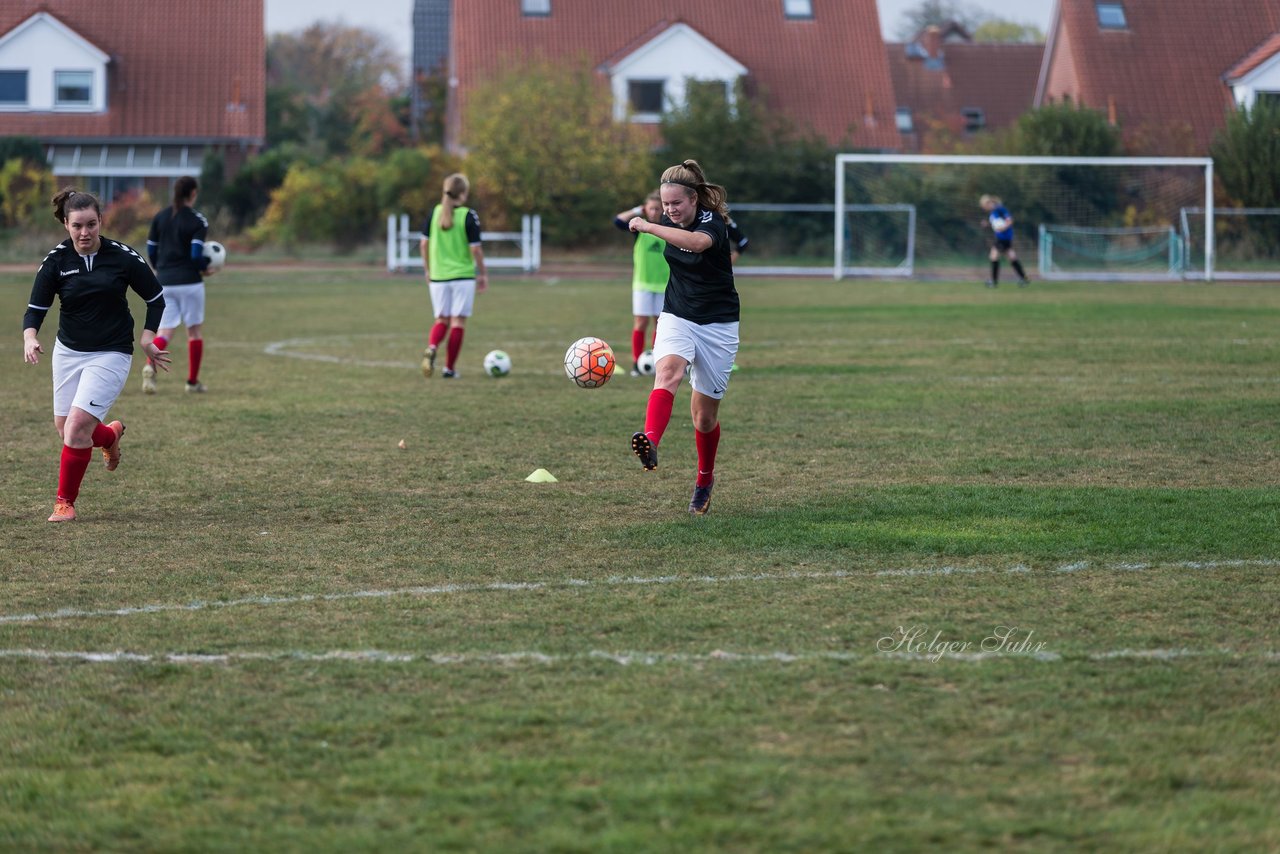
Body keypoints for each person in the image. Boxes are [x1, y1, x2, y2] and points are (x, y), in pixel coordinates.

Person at [23, 187, 169, 522]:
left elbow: (156, 298)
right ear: (66, 225)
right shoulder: (56, 262)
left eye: (91, 224)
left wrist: (148, 338)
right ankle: (110, 435)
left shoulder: (122, 258)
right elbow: (35, 310)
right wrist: (29, 338)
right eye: (77, 226)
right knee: (67, 430)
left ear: (101, 220)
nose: (85, 232)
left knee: (76, 430)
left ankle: (64, 504)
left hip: (112, 352)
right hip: (69, 352)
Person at [627, 160, 740, 515]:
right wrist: (651, 223)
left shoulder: (713, 224)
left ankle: (705, 479)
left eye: (676, 204)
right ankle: (650, 440)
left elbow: (695, 243)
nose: (670, 210)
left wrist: (648, 226)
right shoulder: (664, 220)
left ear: (694, 200)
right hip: (677, 314)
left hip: (719, 325)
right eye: (665, 205)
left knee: (703, 418)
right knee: (669, 372)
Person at [145, 175, 215, 393]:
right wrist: (205, 267)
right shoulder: (198, 221)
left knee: (164, 332)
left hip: (164, 282)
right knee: (193, 332)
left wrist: (161, 270)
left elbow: (152, 251)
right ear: (193, 193)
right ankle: (192, 383)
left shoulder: (160, 217)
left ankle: (149, 368)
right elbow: (196, 255)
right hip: (190, 282)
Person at [419, 173, 487, 379]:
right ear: (464, 193)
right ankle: (449, 369)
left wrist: (428, 269)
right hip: (462, 276)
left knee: (441, 319)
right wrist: (483, 273)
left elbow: (423, 244)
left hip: (438, 276)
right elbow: (475, 249)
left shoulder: (435, 213)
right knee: (457, 322)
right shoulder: (468, 215)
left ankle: (432, 346)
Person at [613, 192, 668, 376]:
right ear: (646, 209)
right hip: (642, 285)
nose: (654, 212)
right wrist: (637, 210)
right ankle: (637, 363)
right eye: (651, 208)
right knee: (641, 323)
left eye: (658, 208)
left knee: (660, 326)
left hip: (664, 285)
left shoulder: (668, 229)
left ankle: (656, 361)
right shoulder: (639, 230)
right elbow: (618, 221)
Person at [980, 194, 1030, 287]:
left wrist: (1003, 228)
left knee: (993, 256)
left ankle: (994, 282)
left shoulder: (999, 209)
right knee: (1012, 257)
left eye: (984, 205)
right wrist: (987, 224)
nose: (985, 208)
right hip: (1003, 238)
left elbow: (1010, 221)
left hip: (1003, 238)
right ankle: (1024, 278)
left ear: (988, 203)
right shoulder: (993, 212)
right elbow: (996, 225)